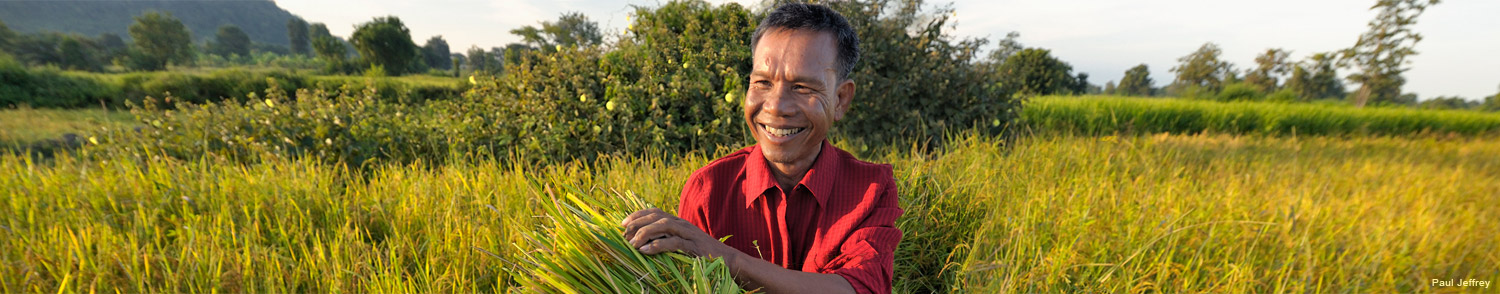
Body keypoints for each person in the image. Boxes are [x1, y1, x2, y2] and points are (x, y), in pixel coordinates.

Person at [620, 3, 903, 293]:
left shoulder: (870, 189)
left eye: (802, 88)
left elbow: (861, 288)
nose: (776, 107)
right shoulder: (708, 189)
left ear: (841, 99)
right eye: (762, 83)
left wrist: (721, 255)